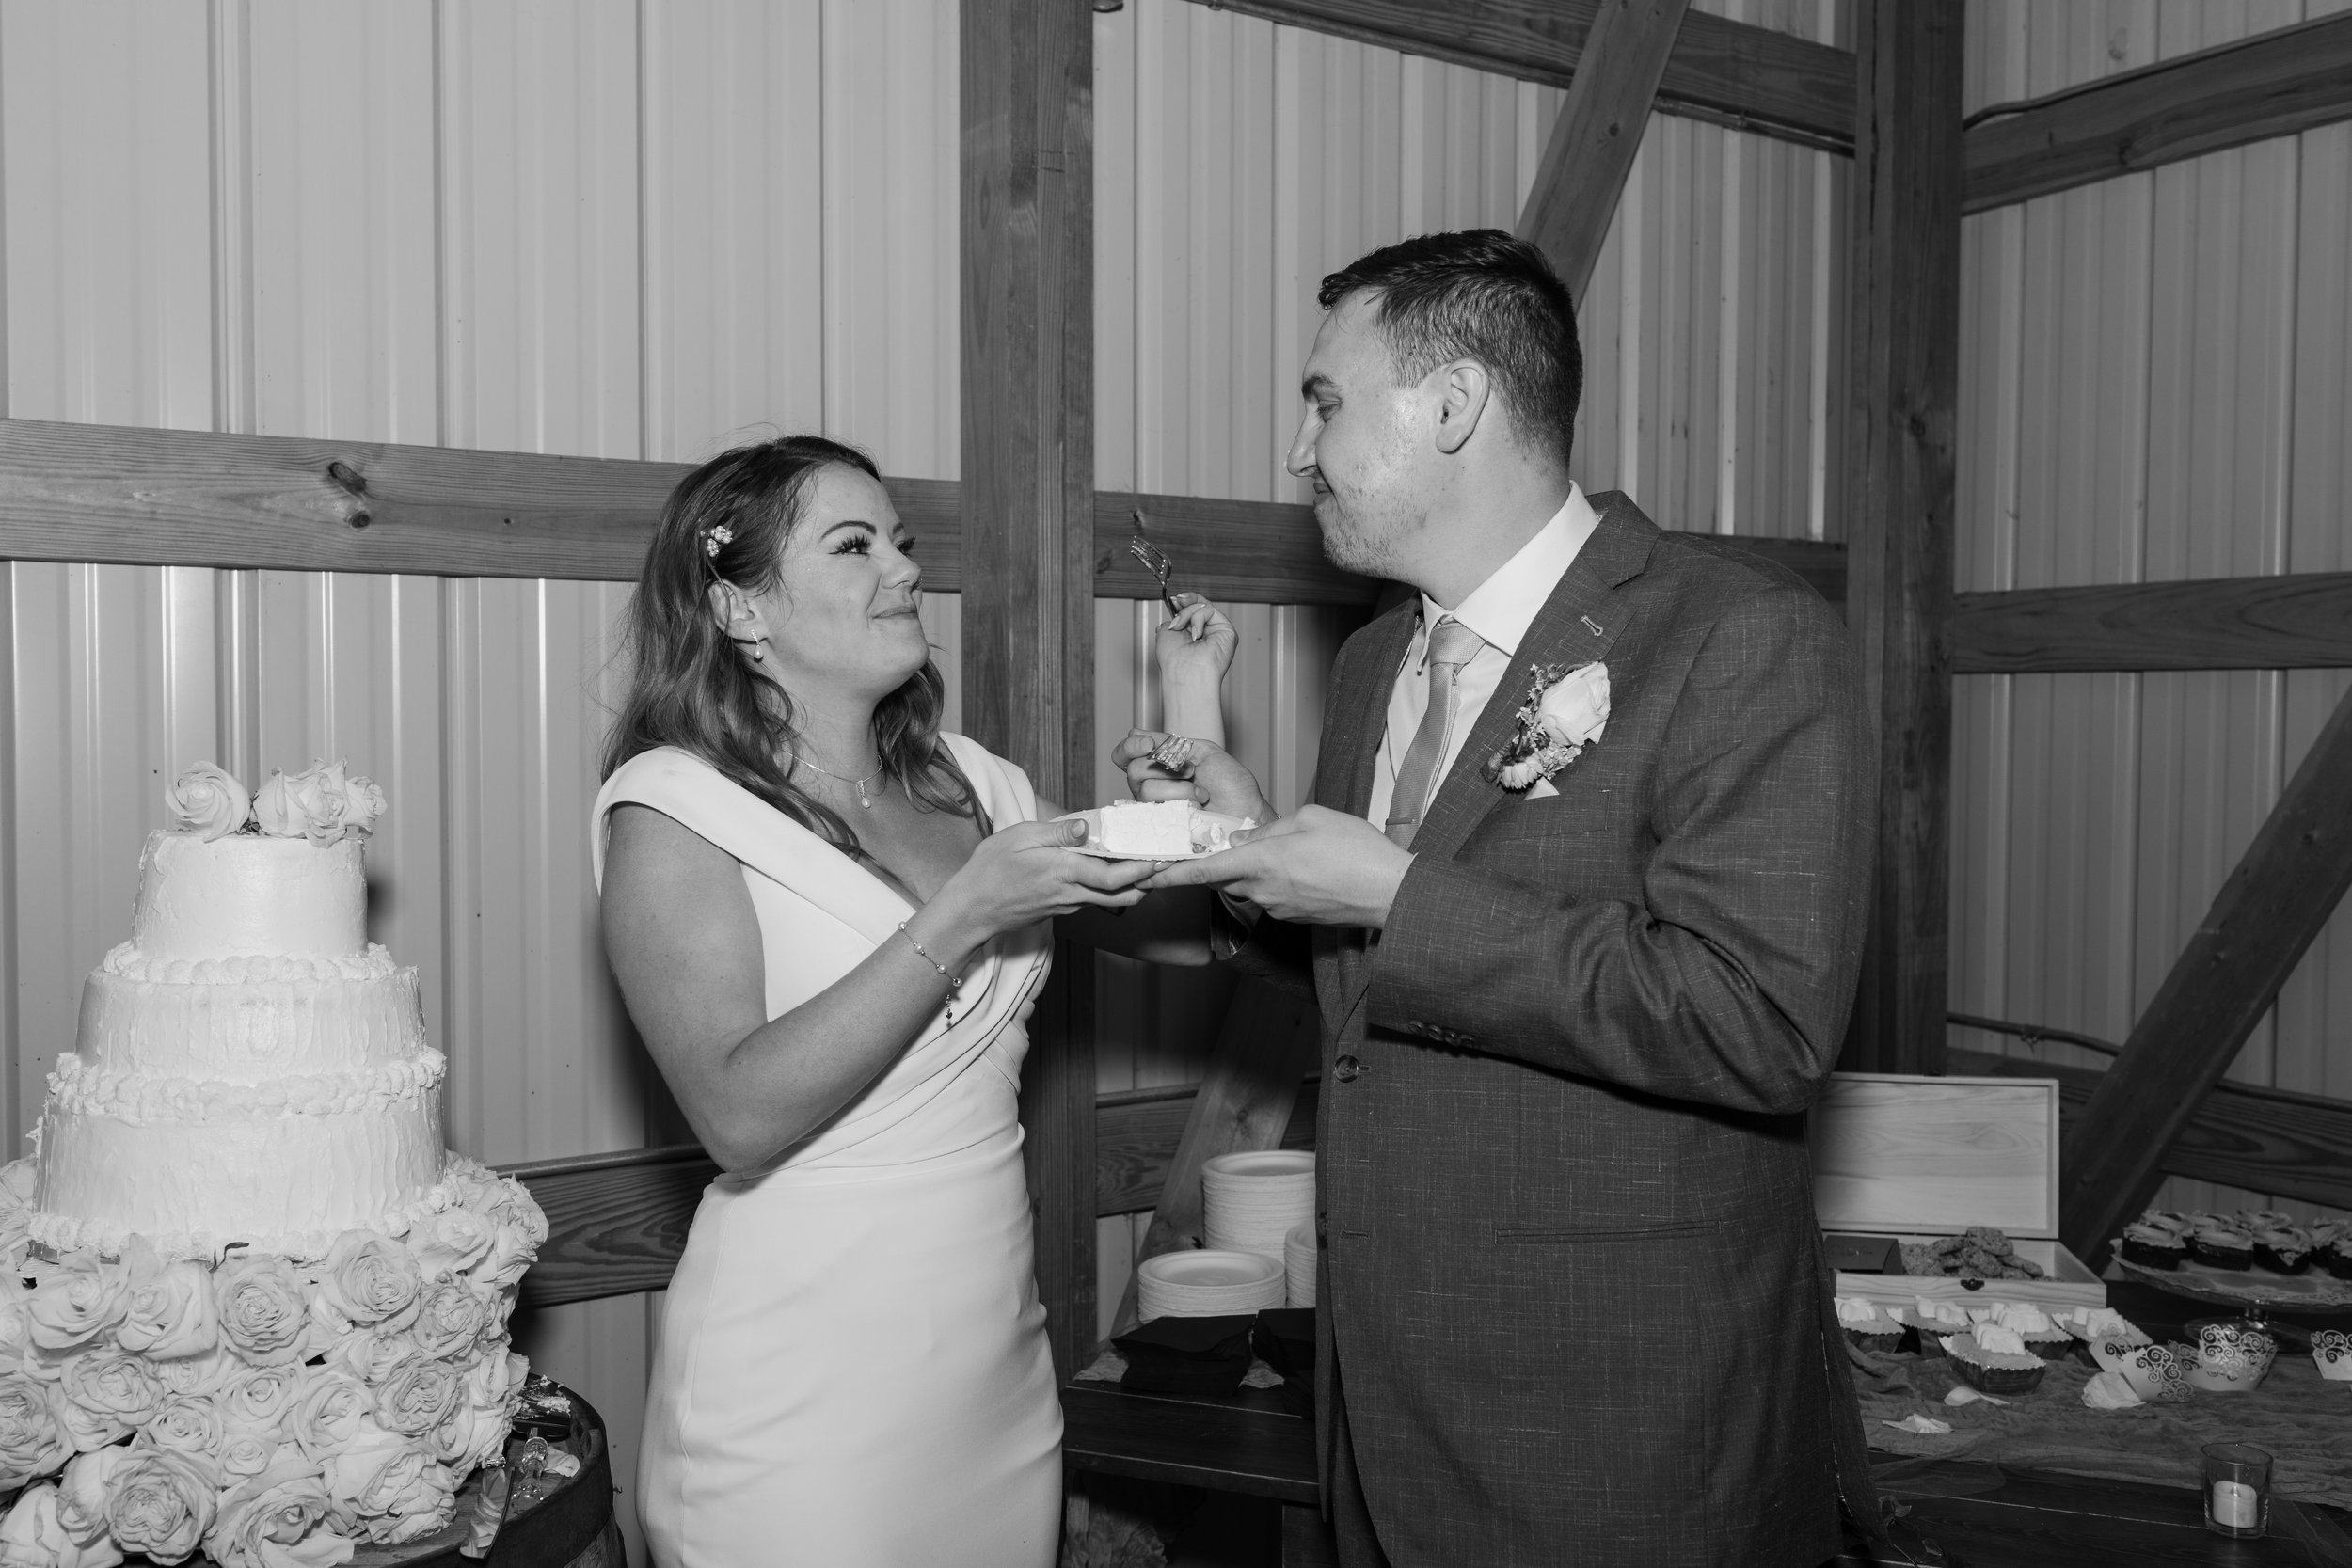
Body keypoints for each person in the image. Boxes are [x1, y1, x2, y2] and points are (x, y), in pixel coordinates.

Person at [1123, 230, 1880, 1566]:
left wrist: (1398, 891)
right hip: (1381, 1401)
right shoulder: (1372, 663)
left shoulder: (1736, 637)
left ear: (1456, 404)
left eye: (1323, 402)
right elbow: (1369, 1010)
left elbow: (1759, 1018)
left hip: (1616, 1426)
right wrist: (1252, 862)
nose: (1299, 453)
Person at [593, 435, 1232, 1568]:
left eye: (901, 541)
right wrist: (960, 913)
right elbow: (737, 1112)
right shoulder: (671, 809)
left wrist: (1191, 718)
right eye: (853, 545)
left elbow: (1194, 945)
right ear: (740, 609)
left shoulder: (978, 783)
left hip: (992, 1358)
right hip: (800, 1382)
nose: (901, 569)